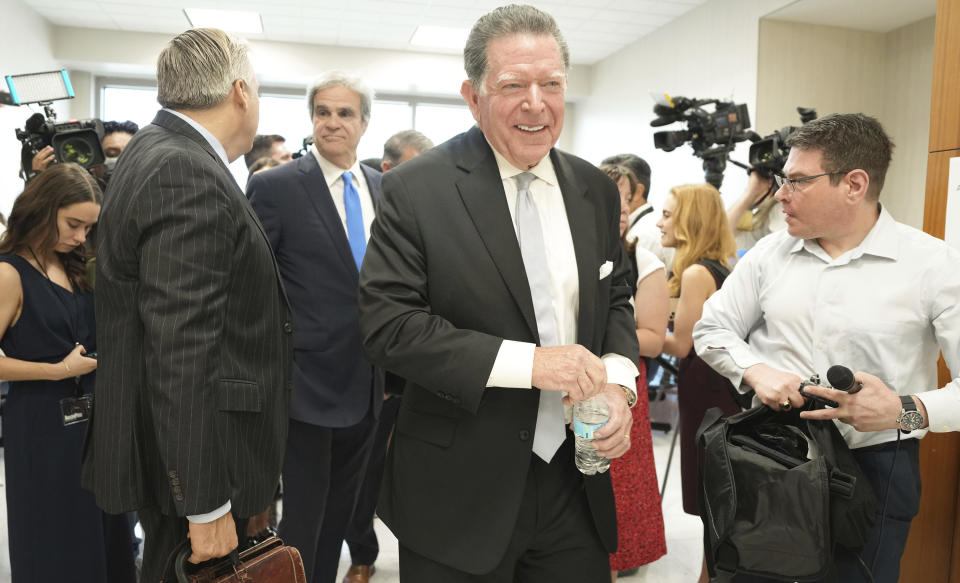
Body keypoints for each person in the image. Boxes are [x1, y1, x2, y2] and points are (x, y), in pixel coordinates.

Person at [357, 5, 640, 581]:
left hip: (575, 485)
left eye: (552, 84)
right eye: (513, 85)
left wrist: (618, 383)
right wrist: (532, 365)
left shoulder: (594, 189)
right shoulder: (416, 189)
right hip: (458, 487)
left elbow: (615, 301)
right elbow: (390, 326)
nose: (536, 103)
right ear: (473, 95)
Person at [693, 113, 960, 583]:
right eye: (781, 179)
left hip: (877, 467)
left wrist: (904, 410)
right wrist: (757, 371)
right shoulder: (769, 256)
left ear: (854, 184)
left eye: (796, 181)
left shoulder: (933, 265)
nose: (780, 194)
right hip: (770, 453)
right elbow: (711, 329)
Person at [82, 28, 293, 583]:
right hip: (195, 461)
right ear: (241, 92)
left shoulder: (157, 150)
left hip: (175, 444)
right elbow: (181, 346)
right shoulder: (184, 169)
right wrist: (205, 505)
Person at [247, 70, 384, 583]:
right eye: (322, 112)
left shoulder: (382, 187)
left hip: (368, 380)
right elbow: (253, 283)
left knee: (343, 514)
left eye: (344, 113)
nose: (331, 122)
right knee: (304, 516)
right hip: (304, 382)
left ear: (364, 123)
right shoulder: (276, 186)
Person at [0, 162, 136, 583]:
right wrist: (58, 369)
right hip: (41, 428)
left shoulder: (79, 265)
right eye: (73, 224)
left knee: (110, 538)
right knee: (57, 541)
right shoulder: (9, 273)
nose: (80, 237)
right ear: (44, 209)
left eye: (87, 228)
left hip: (98, 423)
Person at [342, 128, 433, 583]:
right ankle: (363, 552)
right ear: (389, 170)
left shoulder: (439, 215)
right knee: (365, 474)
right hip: (376, 375)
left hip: (431, 375)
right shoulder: (360, 214)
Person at [656, 182, 740, 583]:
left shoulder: (695, 273)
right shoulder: (719, 265)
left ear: (689, 220)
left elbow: (681, 344)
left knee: (709, 492)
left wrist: (632, 331)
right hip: (716, 387)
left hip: (705, 388)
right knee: (716, 491)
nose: (660, 222)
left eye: (668, 214)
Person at [600, 163, 668, 581]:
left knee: (619, 483)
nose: (621, 210)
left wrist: (598, 335)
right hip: (566, 382)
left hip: (621, 379)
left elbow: (655, 339)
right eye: (612, 199)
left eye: (626, 200)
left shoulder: (642, 259)